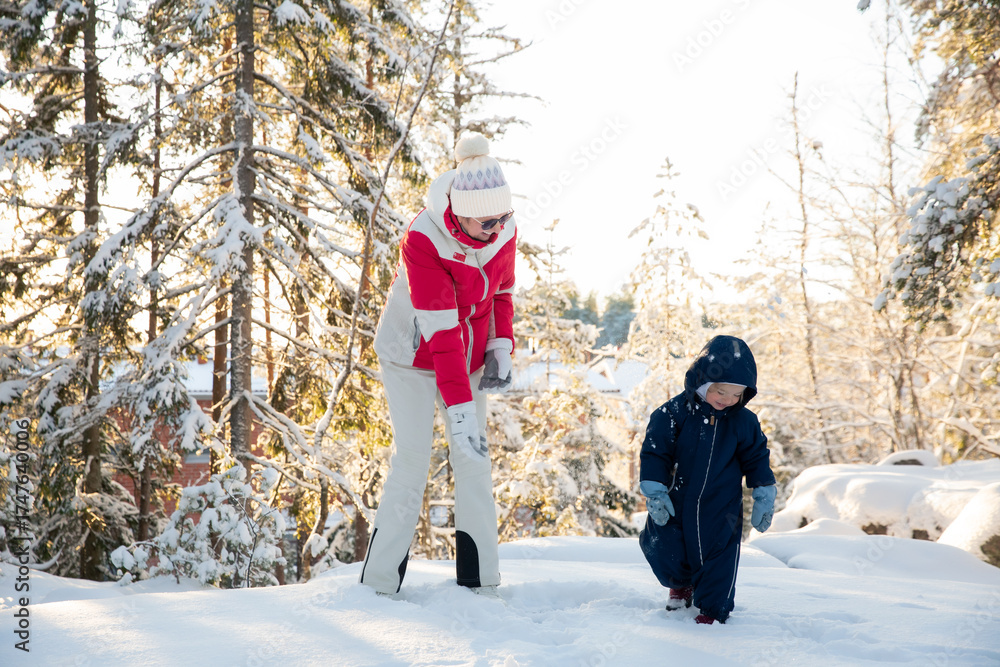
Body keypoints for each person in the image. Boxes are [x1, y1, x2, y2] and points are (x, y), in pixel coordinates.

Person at [360, 132, 516, 598]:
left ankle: (482, 582)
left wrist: (499, 346)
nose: (497, 229)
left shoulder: (500, 226)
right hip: (412, 354)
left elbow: (503, 292)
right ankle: (380, 585)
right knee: (412, 458)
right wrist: (461, 408)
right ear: (459, 210)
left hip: (466, 354)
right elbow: (442, 334)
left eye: (503, 218)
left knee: (474, 459)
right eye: (487, 221)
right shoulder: (423, 238)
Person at [638, 335, 777, 624]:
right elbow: (656, 452)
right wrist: (655, 491)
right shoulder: (672, 414)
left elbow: (756, 457)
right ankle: (680, 584)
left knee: (720, 559)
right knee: (665, 546)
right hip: (676, 498)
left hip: (721, 505)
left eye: (736, 395)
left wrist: (763, 491)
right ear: (703, 383)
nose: (728, 401)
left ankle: (713, 609)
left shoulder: (743, 422)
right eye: (721, 392)